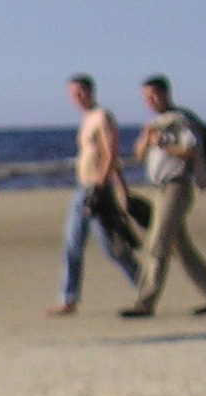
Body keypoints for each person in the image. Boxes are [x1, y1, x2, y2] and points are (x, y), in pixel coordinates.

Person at [120, 74, 206, 318]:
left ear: (166, 94)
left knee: (157, 243)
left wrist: (164, 143)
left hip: (176, 187)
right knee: (181, 248)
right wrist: (147, 140)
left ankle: (145, 301)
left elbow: (192, 151)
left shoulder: (181, 120)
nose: (150, 101)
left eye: (154, 96)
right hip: (159, 188)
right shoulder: (155, 123)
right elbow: (138, 155)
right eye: (146, 98)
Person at [49, 74, 141, 315]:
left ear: (91, 91)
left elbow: (111, 154)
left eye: (80, 92)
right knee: (72, 243)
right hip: (83, 189)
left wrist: (110, 188)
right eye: (73, 94)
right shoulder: (87, 119)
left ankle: (144, 285)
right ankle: (68, 299)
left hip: (96, 190)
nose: (77, 98)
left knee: (112, 247)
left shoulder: (102, 117)